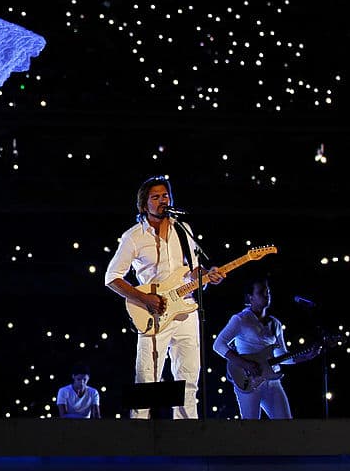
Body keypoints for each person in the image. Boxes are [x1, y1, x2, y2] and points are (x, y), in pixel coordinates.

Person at [104, 175, 224, 419]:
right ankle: (140, 435)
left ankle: (187, 435)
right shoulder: (134, 236)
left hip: (186, 309)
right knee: (148, 377)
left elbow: (191, 270)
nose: (162, 200)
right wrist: (144, 298)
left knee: (189, 376)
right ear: (143, 204)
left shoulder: (183, 230)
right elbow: (111, 277)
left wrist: (206, 275)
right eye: (155, 197)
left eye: (165, 195)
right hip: (153, 312)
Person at [213, 276, 322, 419]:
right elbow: (218, 345)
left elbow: (281, 356)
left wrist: (305, 357)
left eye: (268, 291)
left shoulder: (275, 323)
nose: (266, 295)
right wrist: (246, 364)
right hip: (249, 379)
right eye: (261, 292)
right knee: (251, 427)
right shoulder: (240, 319)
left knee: (285, 424)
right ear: (250, 297)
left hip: (272, 381)